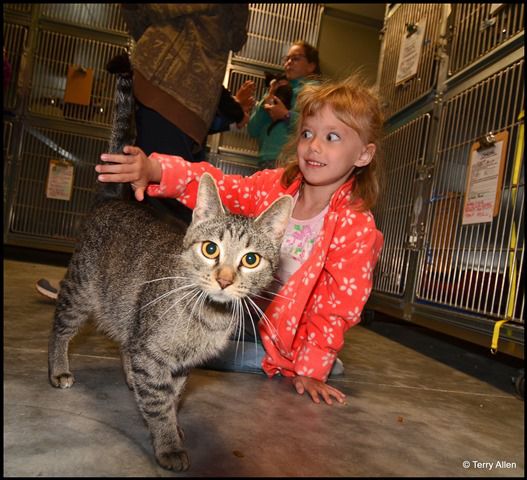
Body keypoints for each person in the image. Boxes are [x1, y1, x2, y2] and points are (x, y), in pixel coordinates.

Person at [95, 75, 385, 405]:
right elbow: (220, 186)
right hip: (235, 306)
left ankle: (147, 341)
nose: (314, 146)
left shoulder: (356, 226)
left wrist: (311, 367)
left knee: (325, 366)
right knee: (179, 294)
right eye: (307, 133)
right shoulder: (274, 185)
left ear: (363, 155)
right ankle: (135, 323)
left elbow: (336, 310)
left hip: (285, 335)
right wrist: (157, 170)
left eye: (332, 137)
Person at [120, 4, 250, 224]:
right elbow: (237, 36)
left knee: (160, 193)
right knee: (160, 195)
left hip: (163, 85)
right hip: (178, 94)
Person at [248, 40, 321, 170]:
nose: (289, 62)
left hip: (291, 160)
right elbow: (252, 129)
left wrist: (286, 115)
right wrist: (268, 96)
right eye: (287, 59)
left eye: (296, 58)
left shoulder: (315, 92)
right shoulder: (276, 89)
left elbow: (316, 127)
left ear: (311, 66)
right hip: (265, 158)